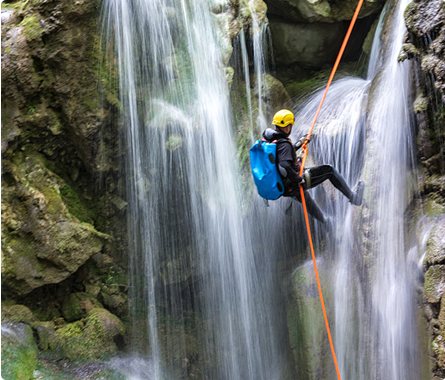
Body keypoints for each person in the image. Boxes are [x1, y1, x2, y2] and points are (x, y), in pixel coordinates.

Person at [263, 109, 365, 224]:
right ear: (287, 127)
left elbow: (282, 155)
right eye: (290, 125)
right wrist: (298, 179)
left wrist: (300, 143)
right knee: (329, 170)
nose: (290, 128)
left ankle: (326, 223)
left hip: (284, 187)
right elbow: (284, 166)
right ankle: (354, 198)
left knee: (306, 200)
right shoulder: (284, 144)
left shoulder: (272, 141)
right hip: (292, 181)